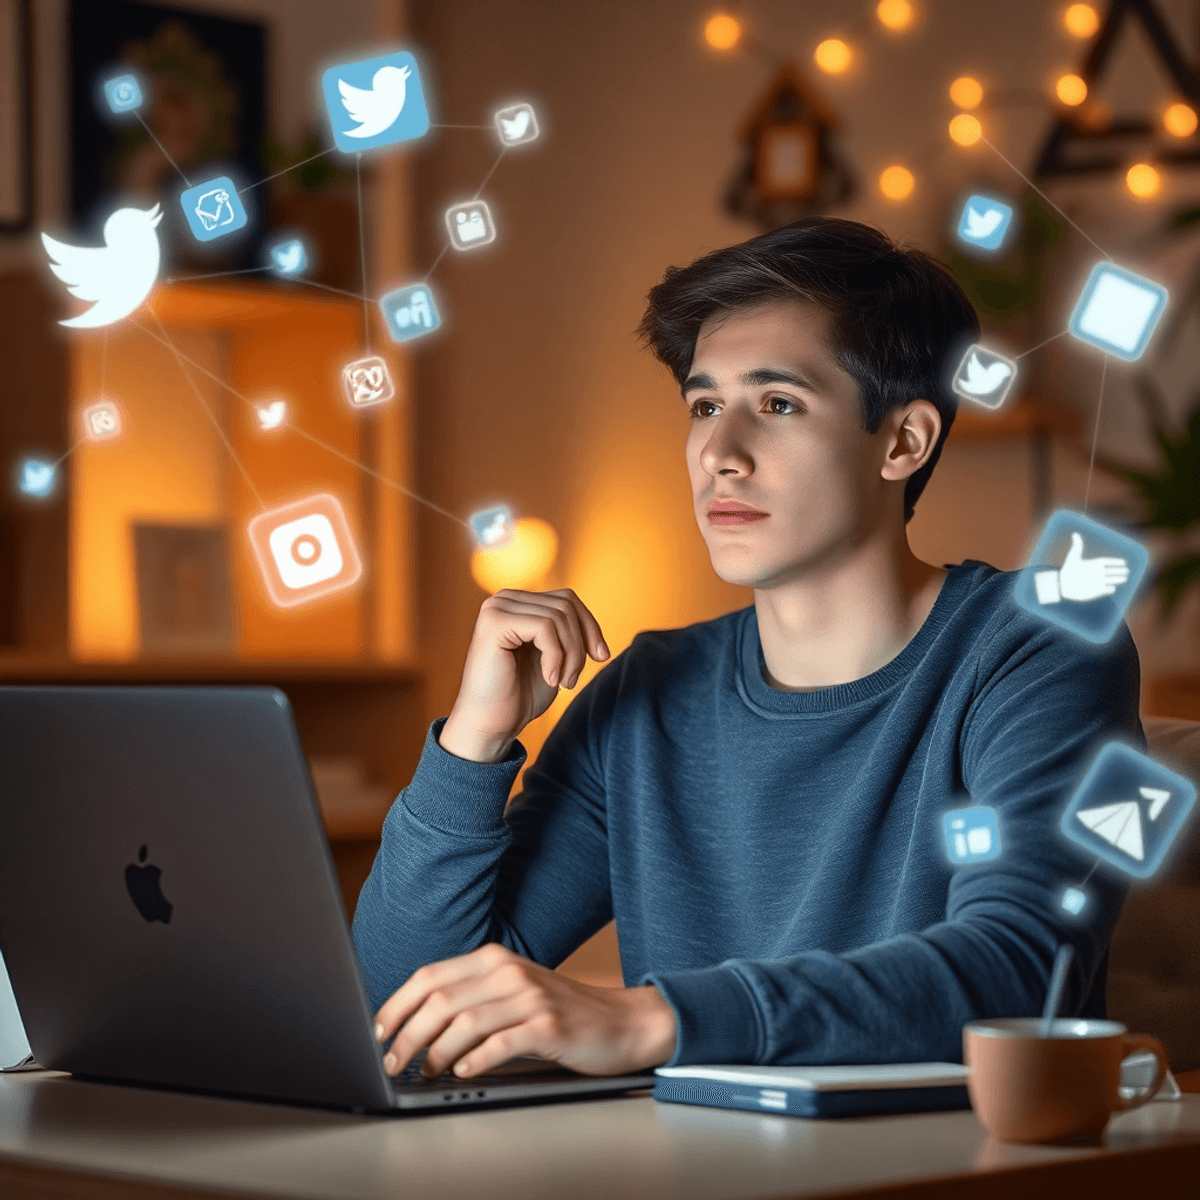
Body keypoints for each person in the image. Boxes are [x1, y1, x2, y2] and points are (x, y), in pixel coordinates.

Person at [353, 217, 1141, 1083]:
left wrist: (654, 1018)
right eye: (702, 405)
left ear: (903, 441)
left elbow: (1020, 973)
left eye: (777, 404)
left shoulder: (1040, 648)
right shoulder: (644, 694)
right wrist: (473, 744)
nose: (718, 454)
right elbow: (405, 1012)